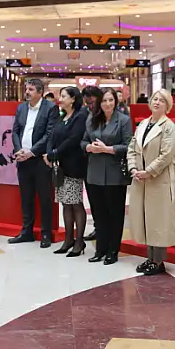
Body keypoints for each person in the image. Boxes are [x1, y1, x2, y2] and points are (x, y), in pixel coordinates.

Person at [127, 88, 175, 276]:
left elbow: (167, 155)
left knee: (159, 220)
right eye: (155, 99)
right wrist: (133, 168)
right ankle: (150, 258)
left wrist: (148, 172)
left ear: (168, 105)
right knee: (146, 218)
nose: (157, 102)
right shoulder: (143, 124)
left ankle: (158, 261)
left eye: (162, 100)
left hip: (159, 180)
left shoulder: (169, 126)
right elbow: (132, 148)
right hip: (141, 179)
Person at [83, 88, 132, 265]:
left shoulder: (124, 120)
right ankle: (100, 249)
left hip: (115, 174)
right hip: (94, 172)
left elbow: (128, 146)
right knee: (99, 213)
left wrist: (108, 149)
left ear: (115, 102)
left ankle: (113, 250)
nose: (107, 104)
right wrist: (89, 147)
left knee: (115, 214)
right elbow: (83, 141)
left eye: (111, 100)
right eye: (104, 101)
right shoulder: (92, 119)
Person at [11, 78, 61, 247]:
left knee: (45, 198)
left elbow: (49, 134)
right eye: (27, 89)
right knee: (26, 197)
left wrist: (31, 152)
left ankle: (46, 233)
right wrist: (19, 150)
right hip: (22, 159)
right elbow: (15, 130)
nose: (27, 92)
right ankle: (26, 231)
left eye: (31, 89)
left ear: (40, 92)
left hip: (40, 160)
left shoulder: (50, 108)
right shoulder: (21, 107)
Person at [45, 87, 89, 257]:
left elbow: (73, 139)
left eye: (63, 96)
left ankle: (79, 241)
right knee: (65, 202)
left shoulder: (80, 116)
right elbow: (52, 136)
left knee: (75, 203)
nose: (60, 99)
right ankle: (68, 239)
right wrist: (50, 152)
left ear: (73, 99)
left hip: (74, 165)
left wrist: (55, 152)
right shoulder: (61, 116)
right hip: (60, 166)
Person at [80, 85, 104, 243]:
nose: (90, 106)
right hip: (90, 163)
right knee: (94, 199)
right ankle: (98, 228)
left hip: (108, 164)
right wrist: (87, 146)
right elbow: (83, 139)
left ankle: (105, 230)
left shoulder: (111, 116)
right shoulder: (87, 116)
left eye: (92, 103)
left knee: (106, 202)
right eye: (87, 103)